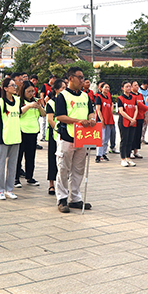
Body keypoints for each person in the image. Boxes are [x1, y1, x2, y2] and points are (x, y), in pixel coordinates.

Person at [54, 67, 96, 213]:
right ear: (70, 78)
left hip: (82, 138)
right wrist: (78, 121)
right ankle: (62, 198)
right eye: (79, 77)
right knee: (63, 169)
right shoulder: (63, 96)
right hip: (67, 136)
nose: (82, 80)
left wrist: (91, 119)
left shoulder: (85, 96)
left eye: (83, 77)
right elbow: (59, 116)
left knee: (78, 169)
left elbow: (91, 112)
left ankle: (76, 198)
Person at [0, 77, 22, 200]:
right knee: (0, 165)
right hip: (3, 138)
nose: (15, 87)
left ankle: (9, 189)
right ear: (5, 88)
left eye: (15, 85)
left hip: (16, 137)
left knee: (12, 165)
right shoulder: (0, 102)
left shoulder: (18, 101)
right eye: (12, 85)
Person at [16, 80, 43, 187]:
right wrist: (29, 106)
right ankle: (15, 178)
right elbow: (18, 112)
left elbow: (43, 114)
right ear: (23, 91)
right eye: (29, 91)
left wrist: (39, 106)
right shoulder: (18, 100)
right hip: (21, 131)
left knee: (31, 156)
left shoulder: (36, 101)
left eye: (33, 91)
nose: (32, 94)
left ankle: (30, 177)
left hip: (33, 131)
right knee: (18, 156)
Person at [45, 79, 66, 195]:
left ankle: (62, 184)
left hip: (66, 135)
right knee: (52, 159)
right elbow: (50, 119)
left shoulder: (67, 101)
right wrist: (58, 131)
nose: (64, 89)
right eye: (62, 87)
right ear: (56, 90)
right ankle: (51, 184)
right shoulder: (51, 102)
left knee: (64, 161)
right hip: (55, 135)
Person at [116, 82, 142, 167]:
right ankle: (123, 159)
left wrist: (134, 119)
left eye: (129, 86)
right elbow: (121, 111)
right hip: (124, 121)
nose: (128, 88)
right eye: (126, 87)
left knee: (130, 140)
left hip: (133, 121)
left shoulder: (134, 98)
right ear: (122, 88)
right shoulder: (120, 98)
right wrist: (130, 119)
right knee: (124, 140)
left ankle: (128, 157)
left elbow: (136, 109)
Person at [94, 83, 115, 163]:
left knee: (106, 138)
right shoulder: (99, 97)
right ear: (101, 88)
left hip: (109, 120)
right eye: (105, 87)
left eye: (108, 87)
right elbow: (98, 110)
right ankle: (98, 155)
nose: (107, 88)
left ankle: (104, 153)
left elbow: (111, 105)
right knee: (101, 138)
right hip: (101, 120)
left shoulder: (109, 98)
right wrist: (102, 120)